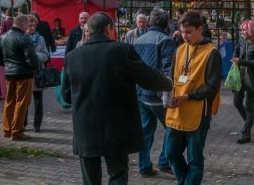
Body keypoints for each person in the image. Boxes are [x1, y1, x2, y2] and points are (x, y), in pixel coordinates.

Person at [61, 12, 173, 185]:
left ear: (89, 30)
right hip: (116, 125)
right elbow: (147, 77)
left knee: (90, 179)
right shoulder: (122, 50)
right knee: (118, 174)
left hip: (85, 127)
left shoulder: (72, 56)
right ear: (109, 28)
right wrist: (167, 84)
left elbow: (66, 95)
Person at [165, 11, 222, 185]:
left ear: (200, 29)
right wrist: (166, 92)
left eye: (189, 32)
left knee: (195, 159)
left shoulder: (212, 53)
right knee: (170, 154)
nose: (185, 36)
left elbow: (212, 88)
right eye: (182, 32)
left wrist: (188, 96)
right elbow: (172, 77)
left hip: (198, 114)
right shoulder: (180, 49)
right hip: (176, 112)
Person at [133, 8, 176, 176]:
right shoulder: (166, 40)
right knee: (173, 127)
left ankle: (144, 167)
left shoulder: (138, 40)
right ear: (166, 23)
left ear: (150, 22)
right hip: (157, 94)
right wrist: (169, 93)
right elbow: (168, 69)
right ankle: (165, 161)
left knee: (145, 132)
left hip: (140, 93)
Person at [0, 14, 39, 141]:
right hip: (24, 74)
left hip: (9, 73)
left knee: (9, 101)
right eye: (27, 24)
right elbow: (31, 58)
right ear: (22, 24)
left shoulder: (2, 37)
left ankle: (7, 129)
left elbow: (0, 58)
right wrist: (34, 69)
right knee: (21, 103)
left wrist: (8, 66)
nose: (28, 27)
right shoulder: (24, 38)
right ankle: (17, 131)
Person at [232, 20, 254, 144]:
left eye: (244, 30)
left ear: (251, 31)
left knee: (249, 104)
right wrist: (235, 58)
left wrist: (240, 61)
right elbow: (236, 51)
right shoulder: (241, 41)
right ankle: (248, 122)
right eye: (241, 30)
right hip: (240, 76)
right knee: (236, 102)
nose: (242, 32)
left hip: (252, 77)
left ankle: (246, 133)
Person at [24, 15, 49, 133]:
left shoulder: (41, 38)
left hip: (38, 72)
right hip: (26, 73)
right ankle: (23, 123)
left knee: (38, 100)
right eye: (30, 25)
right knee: (25, 100)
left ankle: (37, 124)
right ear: (25, 26)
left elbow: (46, 54)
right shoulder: (22, 37)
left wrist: (37, 56)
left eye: (34, 25)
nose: (32, 27)